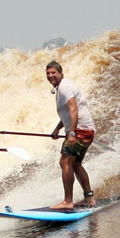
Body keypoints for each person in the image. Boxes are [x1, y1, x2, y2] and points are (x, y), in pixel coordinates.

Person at [46, 60, 97, 209]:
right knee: (75, 164)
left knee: (65, 162)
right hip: (84, 130)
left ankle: (67, 201)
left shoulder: (65, 88)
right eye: (48, 73)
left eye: (53, 72)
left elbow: (73, 110)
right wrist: (57, 129)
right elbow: (68, 114)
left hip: (80, 131)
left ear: (61, 73)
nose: (50, 76)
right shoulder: (62, 87)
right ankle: (90, 199)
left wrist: (72, 133)